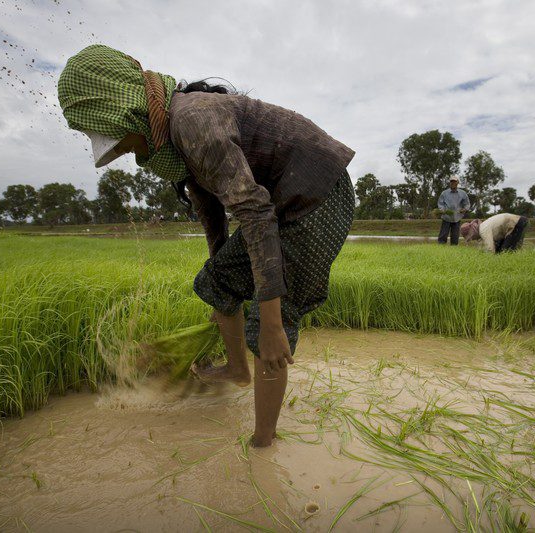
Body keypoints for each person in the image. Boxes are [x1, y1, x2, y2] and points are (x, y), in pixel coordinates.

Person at [57, 45, 355, 447]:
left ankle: (263, 444)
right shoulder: (179, 142)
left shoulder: (193, 120)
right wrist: (225, 294)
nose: (128, 153)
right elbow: (214, 219)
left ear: (125, 111)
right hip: (276, 201)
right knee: (215, 282)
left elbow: (253, 212)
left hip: (318, 194)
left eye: (122, 143)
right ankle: (237, 370)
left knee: (272, 323)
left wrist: (269, 324)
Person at [461, 213, 529, 253]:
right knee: (499, 250)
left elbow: (490, 249)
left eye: (471, 237)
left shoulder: (483, 230)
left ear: (473, 232)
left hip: (517, 223)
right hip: (516, 223)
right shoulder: (483, 226)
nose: (473, 239)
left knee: (506, 252)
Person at [437, 177, 470, 245]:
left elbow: (467, 204)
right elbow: (440, 203)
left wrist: (464, 209)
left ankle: (454, 248)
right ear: (450, 183)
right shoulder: (444, 193)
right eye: (451, 182)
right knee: (443, 235)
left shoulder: (463, 193)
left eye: (454, 182)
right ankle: (441, 246)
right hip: (446, 217)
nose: (453, 183)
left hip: (457, 218)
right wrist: (442, 210)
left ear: (457, 183)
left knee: (455, 236)